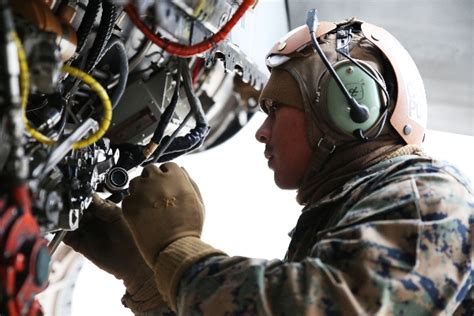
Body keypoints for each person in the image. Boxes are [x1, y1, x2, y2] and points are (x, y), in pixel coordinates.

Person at [64, 14, 473, 315]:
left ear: (347, 109)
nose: (262, 132)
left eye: (276, 110)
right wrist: (144, 275)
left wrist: (177, 251)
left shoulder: (427, 202)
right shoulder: (347, 217)